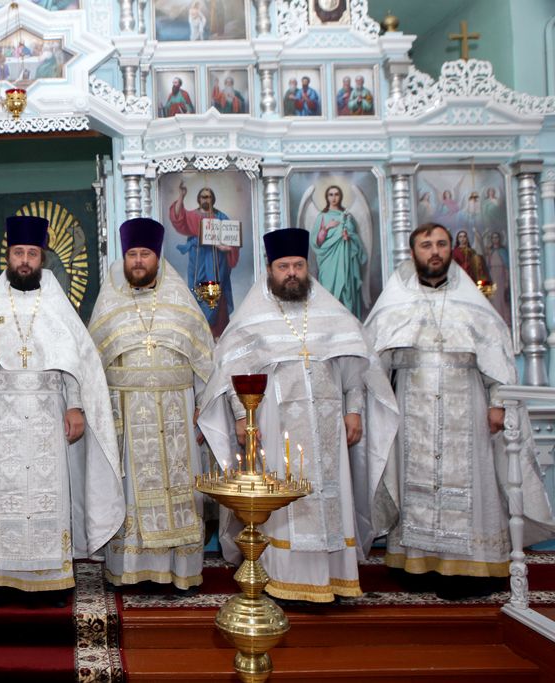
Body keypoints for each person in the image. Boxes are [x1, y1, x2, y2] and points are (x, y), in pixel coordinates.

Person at [197, 228, 398, 603]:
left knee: (330, 496)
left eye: (298, 265)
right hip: (276, 425)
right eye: (283, 266)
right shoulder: (251, 317)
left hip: (328, 425)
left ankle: (335, 580)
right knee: (284, 499)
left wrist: (354, 411)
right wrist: (241, 417)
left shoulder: (331, 313)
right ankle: (285, 581)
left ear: (308, 268)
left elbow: (355, 367)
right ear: (270, 269)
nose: (291, 272)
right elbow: (232, 371)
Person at [0, 215, 124, 600]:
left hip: (48, 416)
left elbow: (78, 363)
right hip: (1, 417)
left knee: (48, 494)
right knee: (0, 494)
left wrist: (76, 407)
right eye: (18, 253)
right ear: (8, 256)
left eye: (31, 254)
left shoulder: (57, 305)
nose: (24, 261)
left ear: (42, 257)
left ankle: (50, 578)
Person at [364, 223, 555, 598]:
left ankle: (471, 570)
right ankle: (419, 566)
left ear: (451, 250)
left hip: (467, 407)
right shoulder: (395, 302)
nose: (434, 251)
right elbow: (373, 361)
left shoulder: (473, 304)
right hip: (413, 408)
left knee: (473, 486)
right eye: (426, 245)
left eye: (441, 244)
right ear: (413, 253)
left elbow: (498, 358)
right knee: (415, 486)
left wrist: (498, 402)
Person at [88, 218, 215, 592]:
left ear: (157, 257)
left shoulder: (181, 304)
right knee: (131, 493)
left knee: (179, 488)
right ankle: (130, 569)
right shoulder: (109, 304)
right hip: (127, 415)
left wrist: (203, 407)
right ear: (124, 258)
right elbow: (93, 368)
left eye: (145, 254)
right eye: (132, 254)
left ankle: (178, 571)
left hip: (178, 413)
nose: (139, 261)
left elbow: (206, 362)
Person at [169, 181, 239, 337]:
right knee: (197, 290)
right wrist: (181, 196)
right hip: (198, 259)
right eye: (203, 197)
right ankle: (199, 329)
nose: (206, 199)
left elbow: (232, 238)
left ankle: (214, 332)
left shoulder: (221, 217)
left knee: (214, 293)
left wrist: (229, 248)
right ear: (199, 199)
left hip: (216, 261)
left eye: (208, 197)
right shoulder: (193, 216)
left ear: (212, 199)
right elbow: (177, 217)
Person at [311, 185, 368, 318]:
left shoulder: (347, 216)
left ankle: (349, 321)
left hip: (346, 259)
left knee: (346, 290)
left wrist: (349, 238)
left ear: (340, 196)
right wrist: (326, 227)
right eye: (331, 194)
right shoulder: (322, 216)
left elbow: (356, 240)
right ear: (327, 197)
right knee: (328, 291)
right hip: (328, 261)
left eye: (336, 194)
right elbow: (317, 242)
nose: (334, 197)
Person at [484, 231, 512, 326]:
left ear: (499, 239)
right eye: (493, 238)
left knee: (502, 297)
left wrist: (507, 281)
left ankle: (505, 319)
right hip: (491, 275)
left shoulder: (503, 251)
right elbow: (486, 265)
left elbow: (507, 267)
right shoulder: (490, 251)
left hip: (501, 275)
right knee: (492, 298)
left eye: (496, 237)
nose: (495, 239)